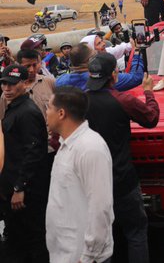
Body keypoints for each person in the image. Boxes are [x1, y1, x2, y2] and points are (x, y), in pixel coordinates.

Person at [85, 52, 159, 263]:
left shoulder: (78, 103)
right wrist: (149, 93)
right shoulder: (122, 100)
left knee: (99, 237)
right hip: (122, 179)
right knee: (135, 231)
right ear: (114, 75)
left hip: (91, 183)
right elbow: (151, 118)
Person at [45, 86, 114, 263]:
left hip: (83, 256)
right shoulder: (66, 145)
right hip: (64, 252)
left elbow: (101, 206)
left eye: (48, 107)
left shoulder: (90, 148)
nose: (46, 112)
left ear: (61, 113)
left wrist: (88, 256)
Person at [0, 64, 51, 262]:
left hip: (25, 192)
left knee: (32, 238)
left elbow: (33, 153)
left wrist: (20, 187)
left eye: (11, 85)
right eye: (4, 84)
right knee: (16, 237)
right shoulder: (14, 107)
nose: (6, 89)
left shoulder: (27, 112)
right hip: (13, 186)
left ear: (23, 84)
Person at [56, 42, 144, 92]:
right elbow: (136, 78)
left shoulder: (60, 81)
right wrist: (136, 54)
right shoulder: (104, 78)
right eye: (95, 54)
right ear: (91, 60)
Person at [1, 49, 55, 122]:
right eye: (27, 66)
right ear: (19, 66)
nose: (32, 70)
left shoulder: (49, 82)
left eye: (34, 65)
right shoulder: (8, 93)